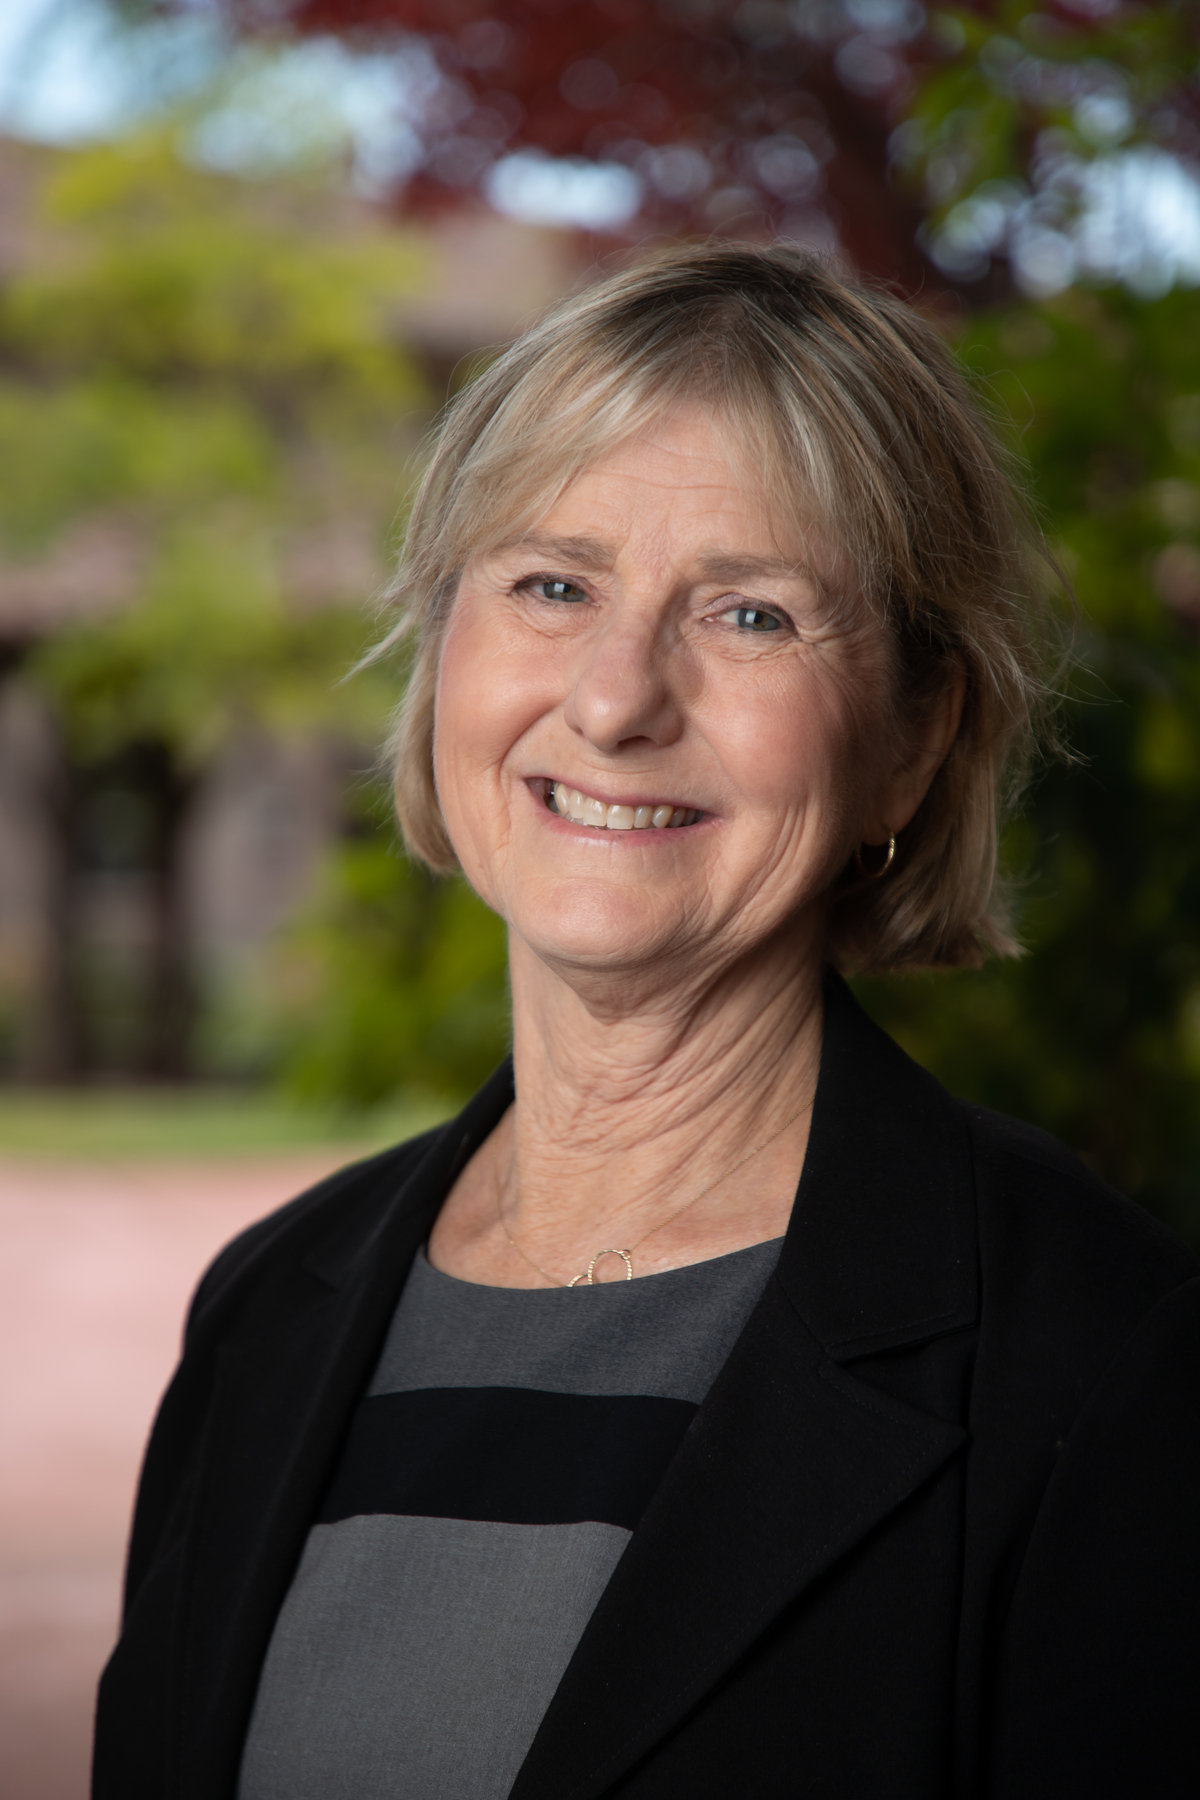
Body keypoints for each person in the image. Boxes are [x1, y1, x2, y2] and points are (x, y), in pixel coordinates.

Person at [93, 245, 1200, 1800]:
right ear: (443, 652)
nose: (616, 700)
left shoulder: (1102, 1361)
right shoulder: (267, 1310)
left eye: (749, 615)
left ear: (913, 736)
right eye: (553, 585)